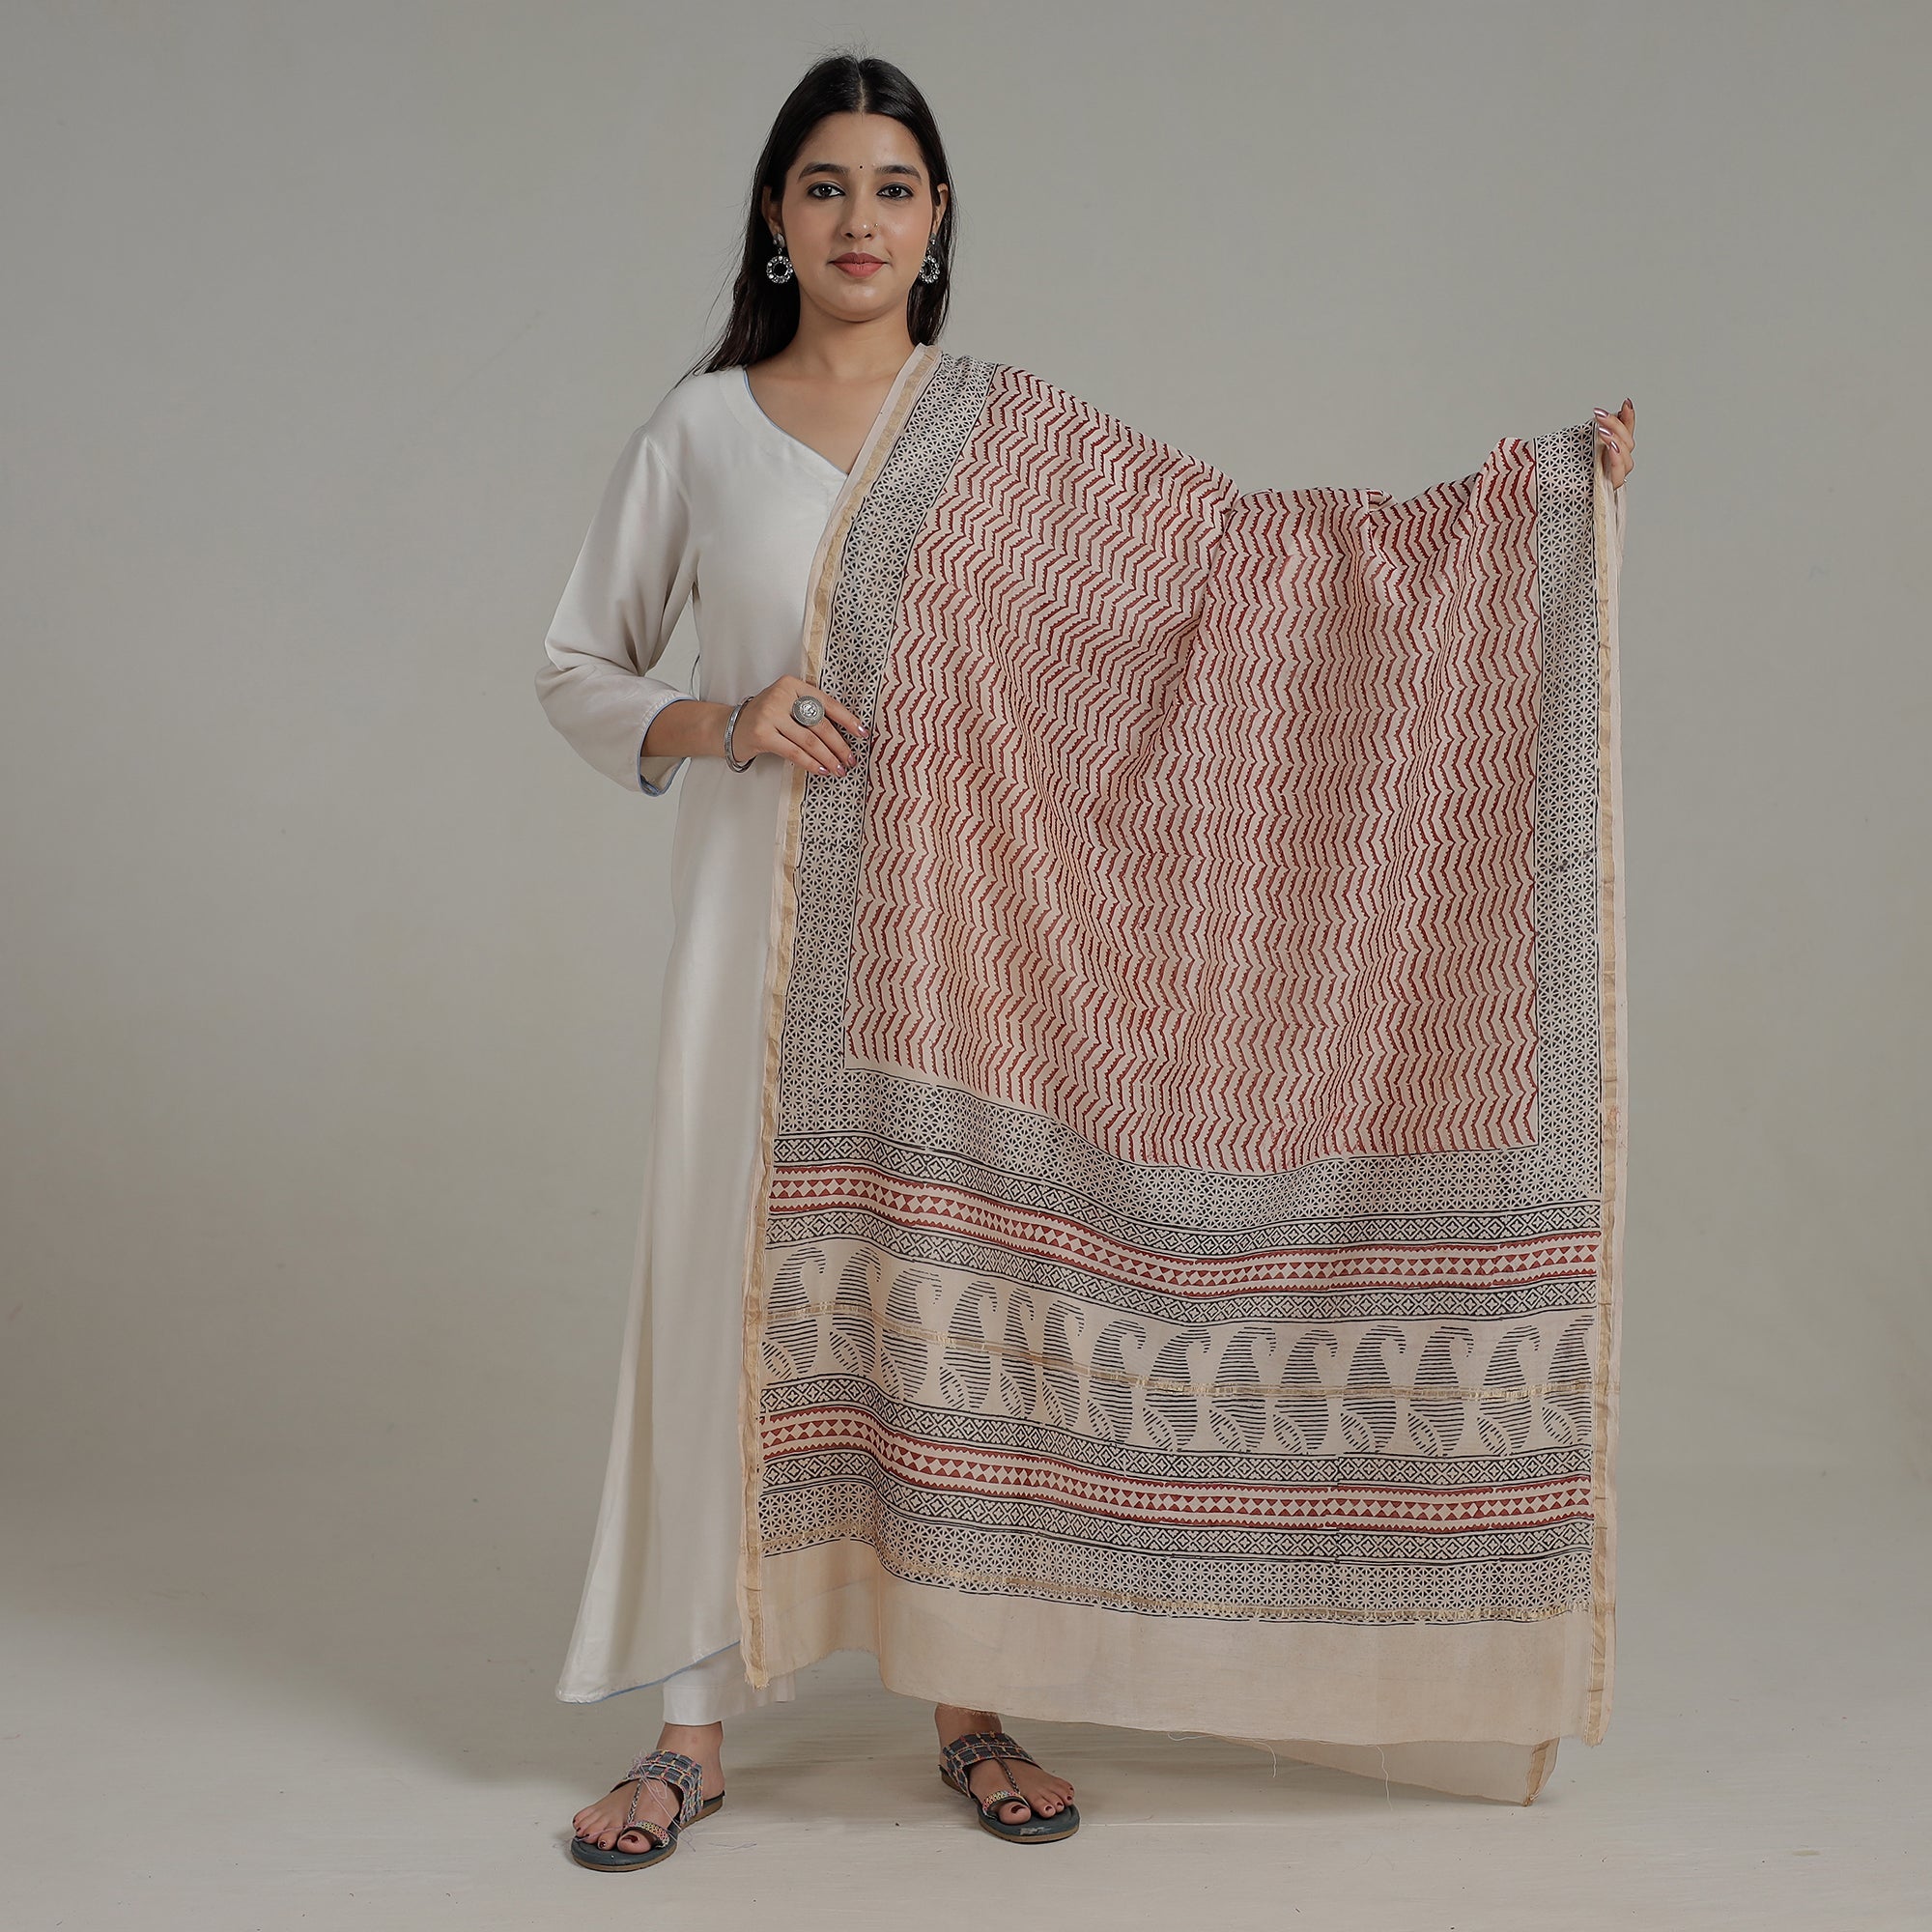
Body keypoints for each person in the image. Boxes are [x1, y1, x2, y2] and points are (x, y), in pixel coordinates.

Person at [535, 49, 1636, 1873]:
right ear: (775, 217)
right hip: (761, 954)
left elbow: (1239, 570)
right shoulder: (702, 434)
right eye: (826, 185)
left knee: (957, 1305)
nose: (861, 219)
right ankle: (688, 1733)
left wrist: (1528, 508)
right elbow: (578, 667)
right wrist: (725, 721)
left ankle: (972, 1707)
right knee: (724, 1305)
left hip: (970, 962)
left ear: (940, 220)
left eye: (895, 187)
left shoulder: (1004, 438)